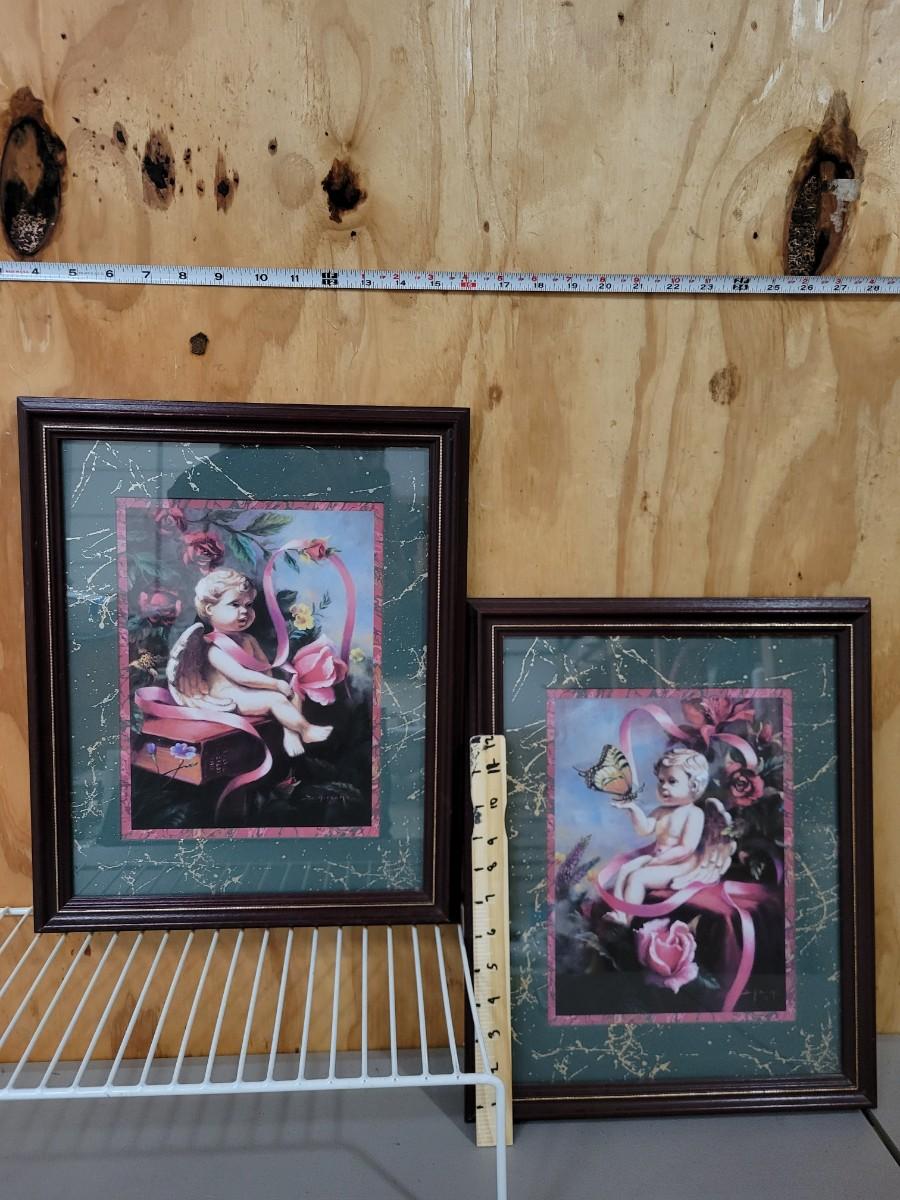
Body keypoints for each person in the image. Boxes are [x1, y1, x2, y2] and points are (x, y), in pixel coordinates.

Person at [167, 568, 333, 756]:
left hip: (248, 690)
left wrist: (273, 683)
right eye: (235, 604)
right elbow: (241, 676)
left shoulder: (248, 639)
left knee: (293, 693)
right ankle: (306, 730)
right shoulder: (213, 646)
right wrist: (275, 685)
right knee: (276, 699)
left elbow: (263, 667)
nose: (244, 611)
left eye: (248, 605)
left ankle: (291, 732)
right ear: (210, 609)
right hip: (228, 696)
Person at [604, 746, 734, 924]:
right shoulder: (661, 811)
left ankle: (627, 919)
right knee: (625, 870)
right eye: (661, 781)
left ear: (694, 786)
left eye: (672, 781)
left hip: (680, 866)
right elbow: (644, 829)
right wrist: (634, 810)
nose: (664, 786)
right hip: (658, 860)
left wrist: (658, 861)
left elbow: (686, 848)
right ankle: (619, 913)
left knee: (637, 877)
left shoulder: (694, 814)